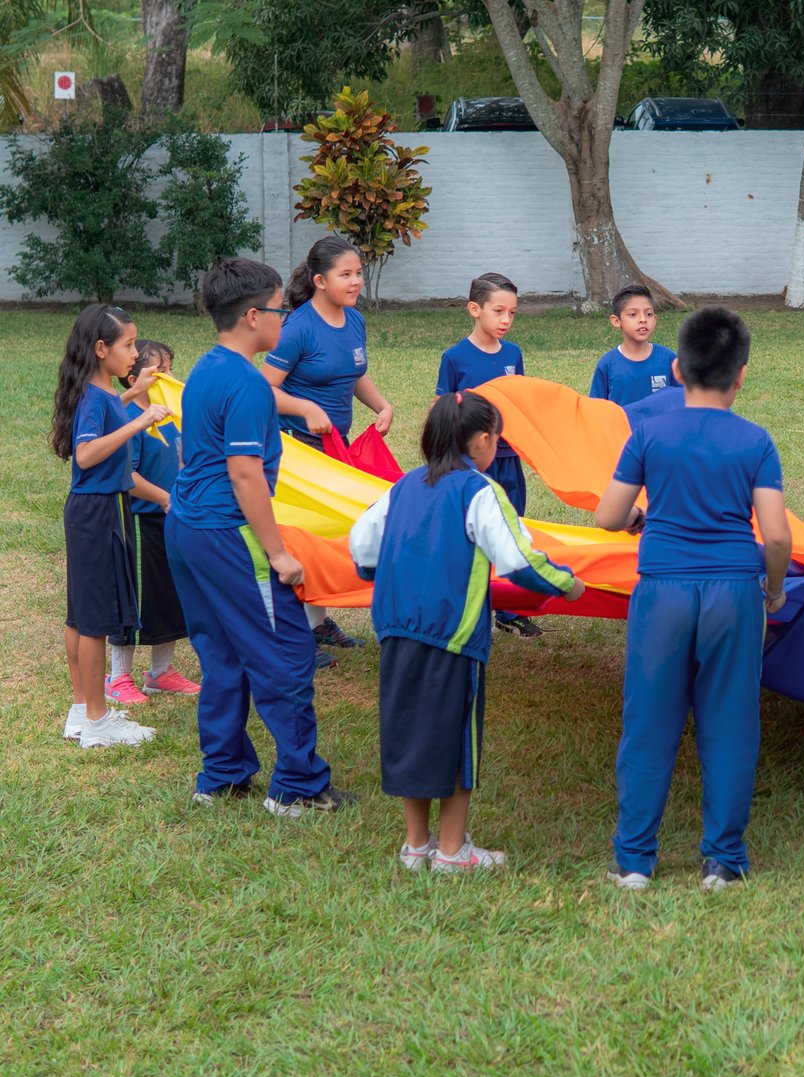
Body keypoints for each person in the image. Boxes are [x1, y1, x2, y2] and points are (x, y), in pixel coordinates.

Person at [594, 306, 792, 892]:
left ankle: (634, 861)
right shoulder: (756, 440)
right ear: (742, 376)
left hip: (662, 591)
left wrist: (638, 517)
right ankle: (722, 861)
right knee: (730, 721)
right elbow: (777, 534)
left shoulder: (649, 433)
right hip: (735, 590)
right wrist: (774, 588)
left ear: (677, 369)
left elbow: (607, 515)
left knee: (649, 721)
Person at [350, 391, 584, 873]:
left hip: (396, 629)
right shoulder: (480, 491)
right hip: (452, 636)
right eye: (497, 437)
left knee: (410, 733)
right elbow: (517, 560)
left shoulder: (403, 487)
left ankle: (416, 846)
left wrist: (382, 575)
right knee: (456, 740)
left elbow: (362, 546)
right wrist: (568, 584)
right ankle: (453, 852)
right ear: (482, 441)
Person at [167, 257, 354, 815]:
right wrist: (277, 552)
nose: (286, 318)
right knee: (287, 656)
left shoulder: (206, 367)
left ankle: (221, 777)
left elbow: (197, 442)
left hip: (186, 528)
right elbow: (245, 473)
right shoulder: (247, 384)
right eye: (280, 309)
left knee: (222, 653)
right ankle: (297, 788)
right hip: (230, 536)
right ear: (253, 316)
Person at [263, 235, 394, 659]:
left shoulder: (352, 320)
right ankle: (294, 635)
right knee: (303, 539)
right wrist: (303, 407)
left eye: (358, 273)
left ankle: (316, 624)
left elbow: (353, 372)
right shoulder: (296, 329)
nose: (355, 281)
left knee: (333, 533)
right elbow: (263, 390)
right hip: (297, 449)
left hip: (334, 449)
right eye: (346, 275)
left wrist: (380, 403)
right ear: (320, 281)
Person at [52, 304, 167, 748]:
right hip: (98, 513)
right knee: (94, 618)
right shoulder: (93, 398)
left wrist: (133, 392)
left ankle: (81, 711)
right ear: (101, 349)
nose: (135, 353)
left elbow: (103, 415)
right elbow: (85, 454)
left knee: (81, 615)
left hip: (90, 510)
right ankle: (98, 722)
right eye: (128, 345)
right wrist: (139, 419)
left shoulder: (97, 393)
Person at [435, 272, 544, 639]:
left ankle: (510, 609)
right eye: (498, 311)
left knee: (512, 527)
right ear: (474, 309)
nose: (506, 320)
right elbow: (443, 408)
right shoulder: (455, 358)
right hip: (471, 464)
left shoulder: (514, 354)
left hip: (509, 456)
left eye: (512, 313)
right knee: (470, 531)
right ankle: (467, 603)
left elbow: (522, 401)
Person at [104, 339, 202, 706]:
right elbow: (128, 479)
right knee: (136, 599)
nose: (169, 377)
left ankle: (161, 672)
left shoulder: (169, 414)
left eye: (170, 368)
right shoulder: (131, 420)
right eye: (159, 371)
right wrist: (164, 498)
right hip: (141, 524)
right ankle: (117, 677)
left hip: (171, 521)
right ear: (133, 378)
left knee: (169, 598)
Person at [589, 284, 677, 406]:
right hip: (621, 425)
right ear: (616, 321)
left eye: (649, 314)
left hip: (659, 425)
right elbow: (596, 407)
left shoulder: (669, 358)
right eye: (633, 314)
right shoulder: (607, 364)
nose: (643, 320)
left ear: (655, 319)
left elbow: (681, 400)